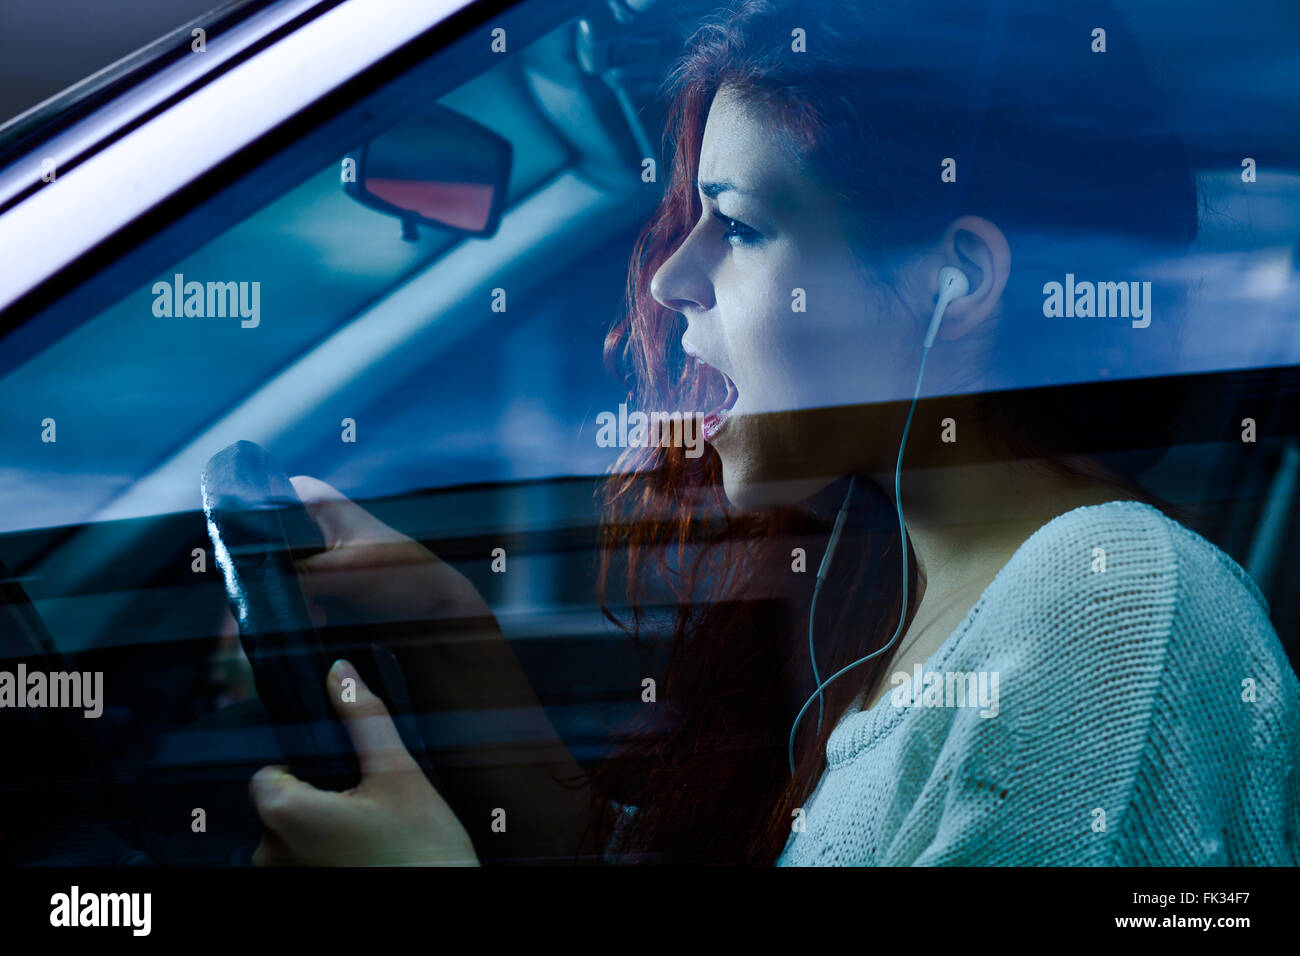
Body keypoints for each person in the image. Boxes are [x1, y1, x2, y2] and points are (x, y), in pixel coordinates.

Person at [247, 0, 1300, 866]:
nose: (672, 277)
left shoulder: (1112, 606)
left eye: (742, 225)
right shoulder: (879, 576)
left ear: (957, 282)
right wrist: (440, 621)